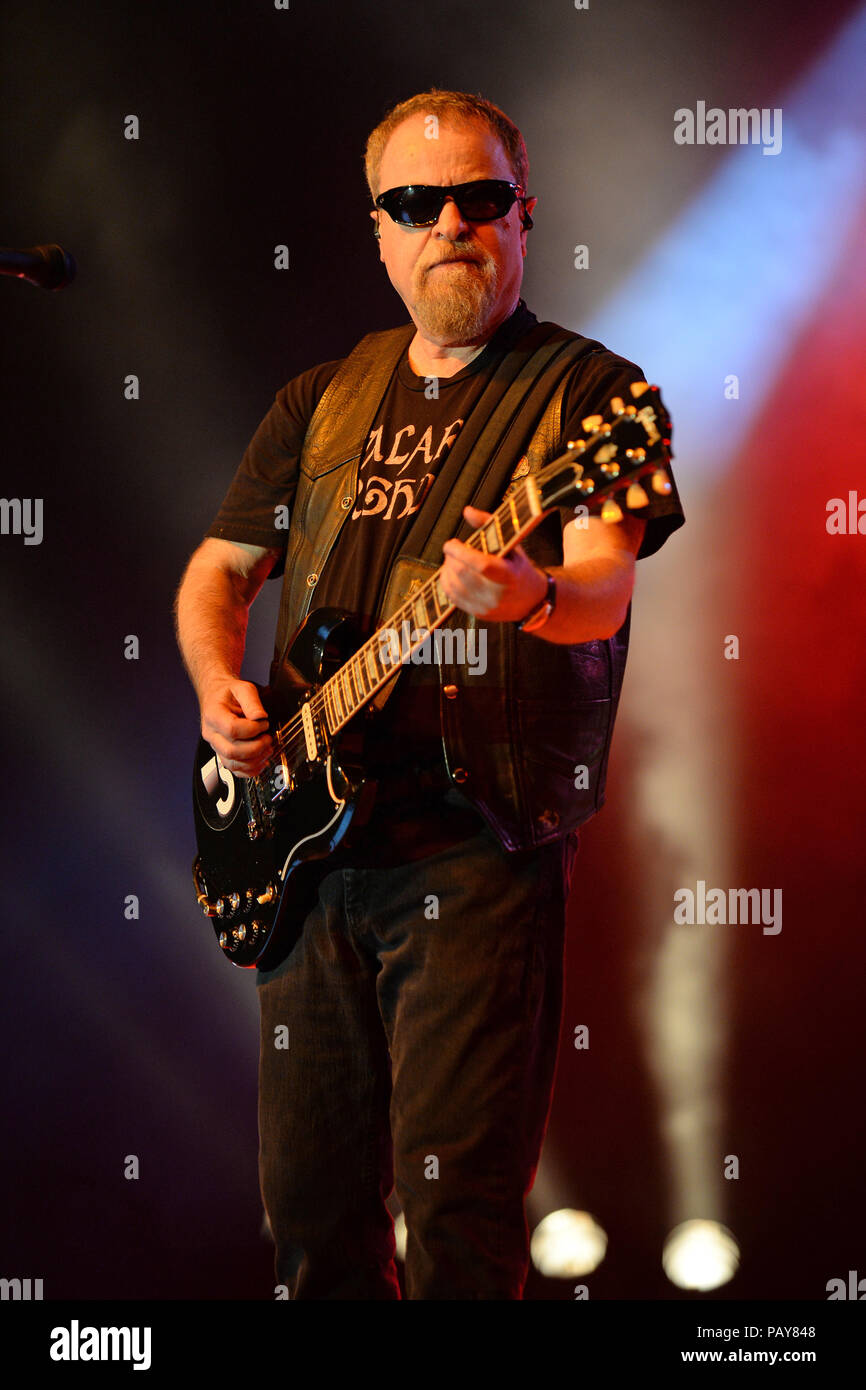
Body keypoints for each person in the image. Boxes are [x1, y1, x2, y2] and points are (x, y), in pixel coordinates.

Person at [174, 88, 684, 1300]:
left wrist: (525, 601)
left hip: (473, 849)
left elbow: (601, 589)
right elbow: (219, 572)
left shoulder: (590, 398)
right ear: (380, 233)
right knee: (309, 1220)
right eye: (416, 202)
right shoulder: (323, 398)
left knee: (457, 1219)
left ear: (521, 218)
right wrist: (215, 688)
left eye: (479, 198)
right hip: (306, 852)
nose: (448, 220)